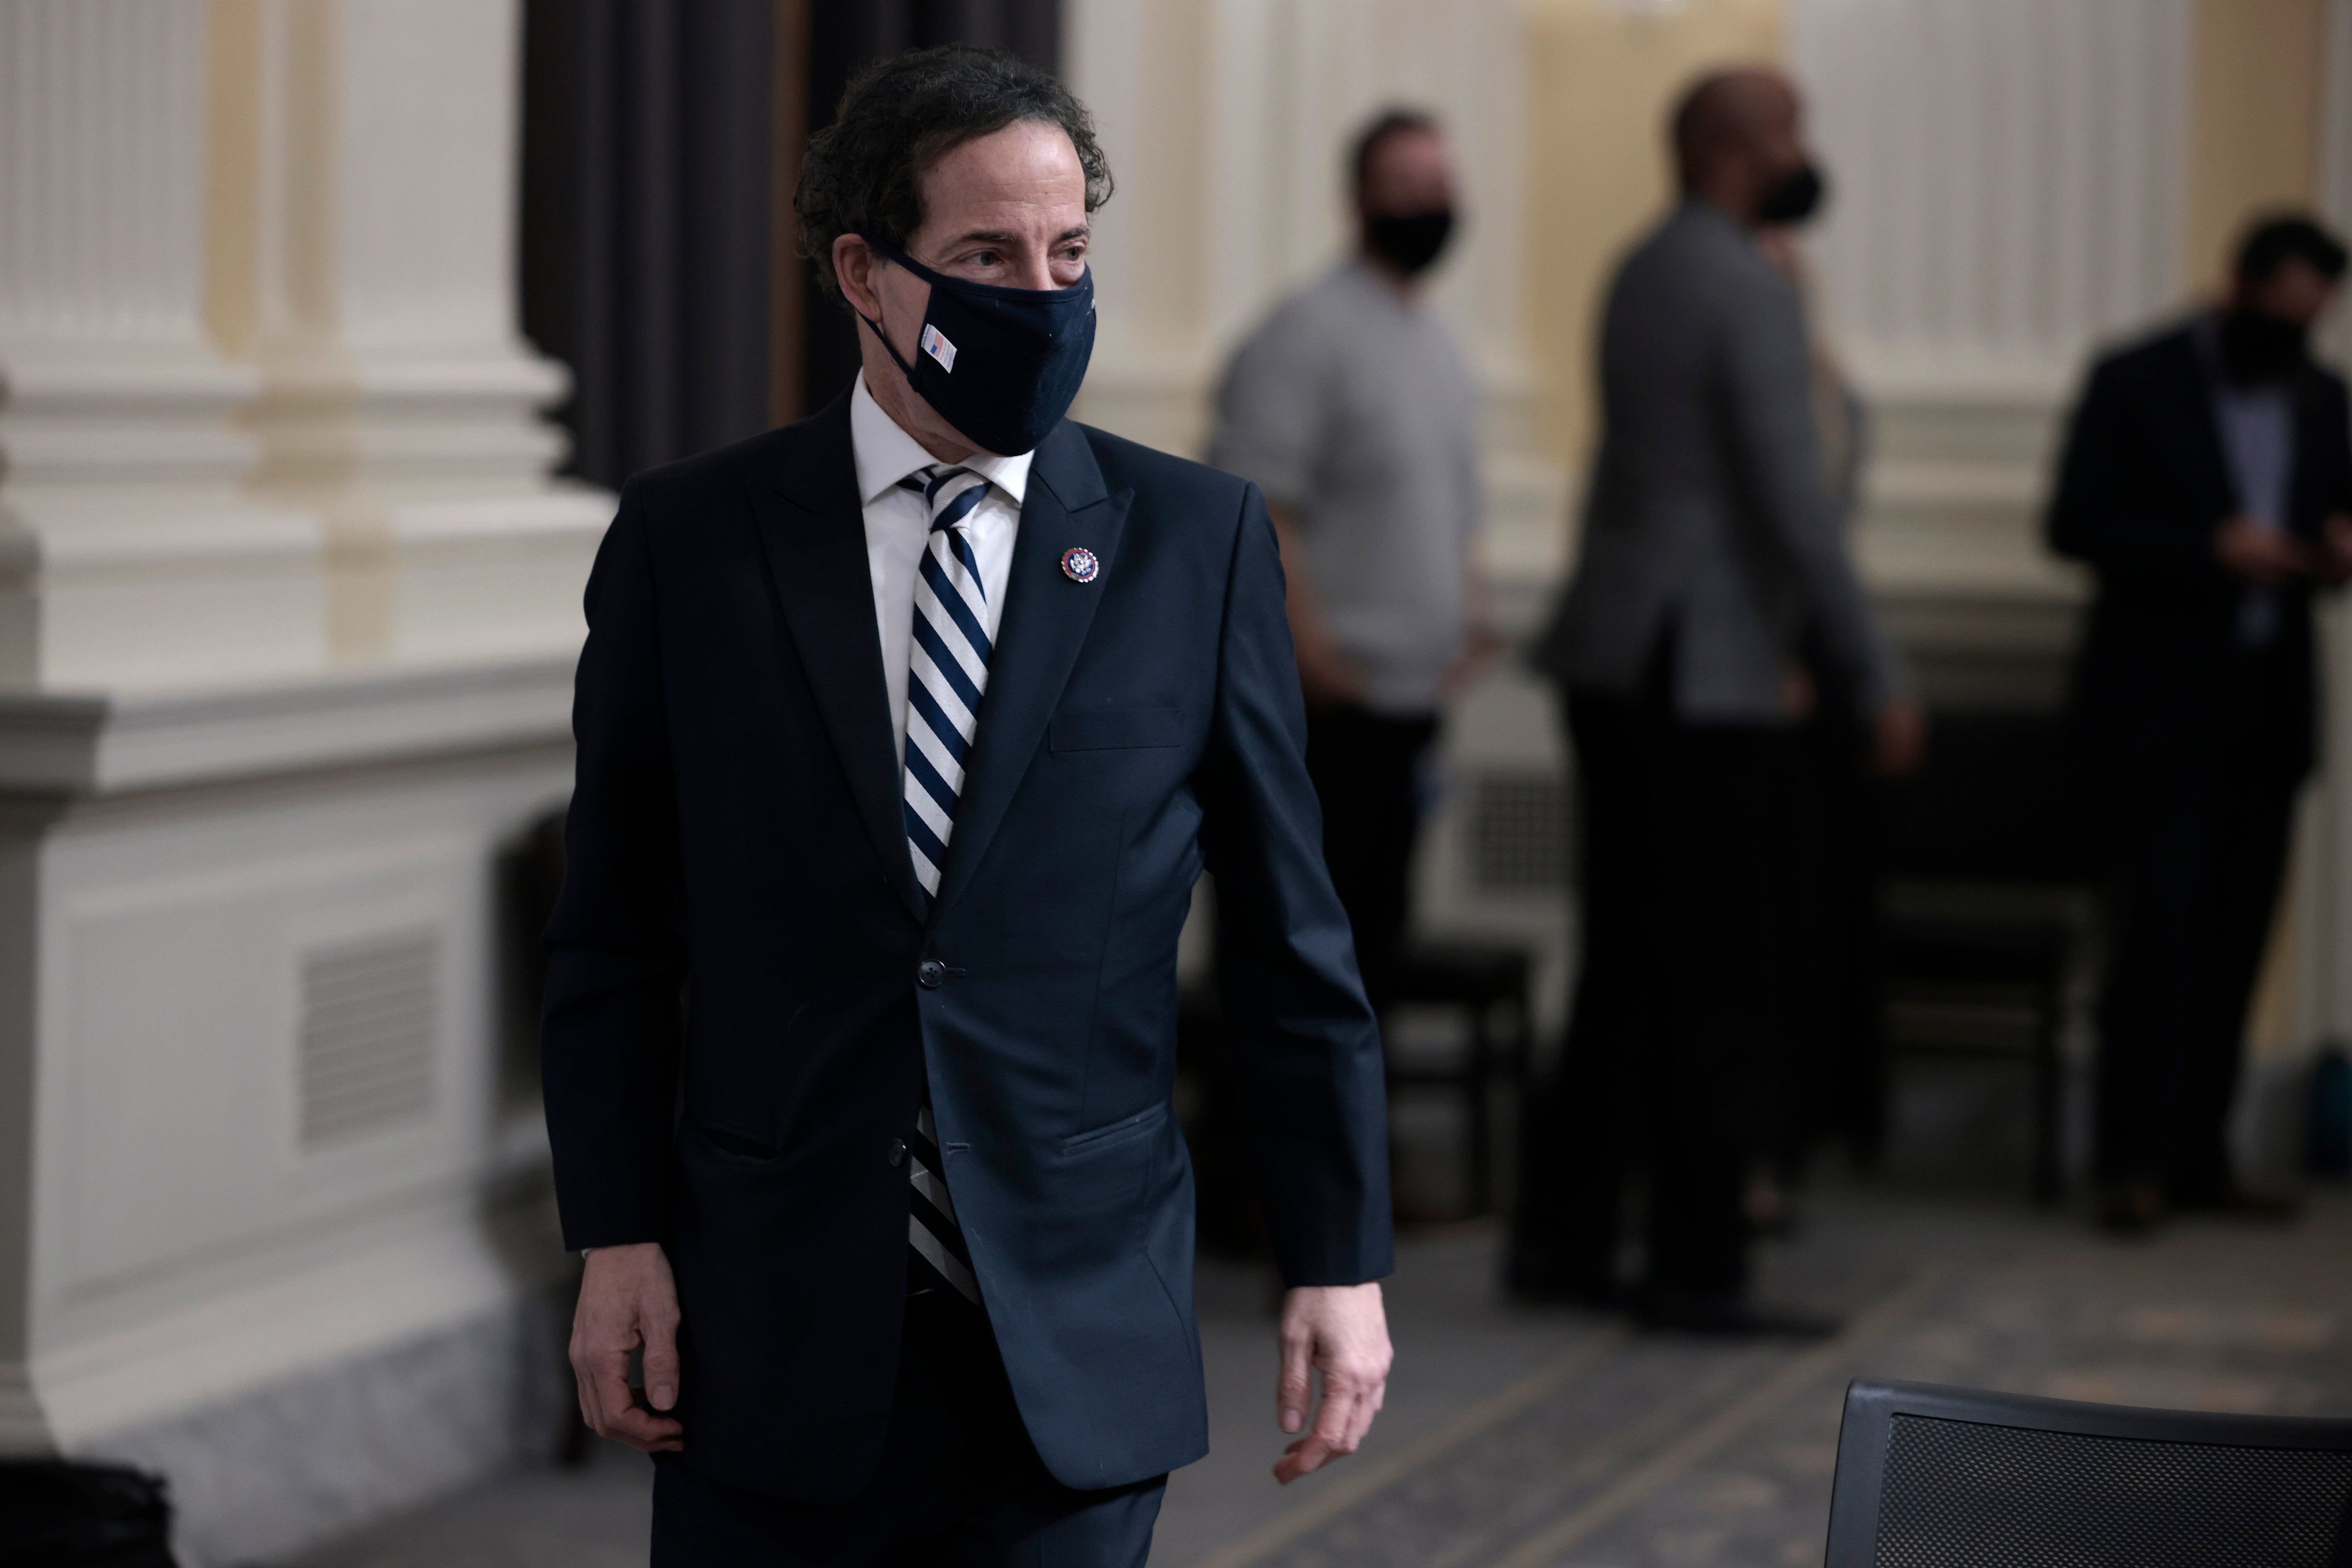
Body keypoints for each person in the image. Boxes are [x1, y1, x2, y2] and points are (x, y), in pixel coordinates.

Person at [540, 46, 1394, 1565]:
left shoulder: (1188, 543)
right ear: (863, 274)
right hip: (768, 1320)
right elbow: (612, 933)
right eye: (988, 256)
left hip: (1069, 1330)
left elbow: (1290, 945)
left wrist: (1337, 1260)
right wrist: (611, 1237)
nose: (1043, 295)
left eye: (1069, 253)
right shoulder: (694, 541)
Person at [1510, 69, 1918, 1334]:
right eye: (1793, 129)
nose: (1806, 152)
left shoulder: (1643, 265)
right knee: (1711, 980)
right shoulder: (1741, 281)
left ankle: (1564, 1241)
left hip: (1621, 663)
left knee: (1628, 971)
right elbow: (1790, 500)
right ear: (1741, 148)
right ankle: (1696, 1264)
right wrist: (1872, 670)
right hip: (1697, 675)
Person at [2048, 214, 2352, 1234]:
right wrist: (2204, 547)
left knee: (2233, 938)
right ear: (2238, 285)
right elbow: (2072, 523)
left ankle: (2200, 1155)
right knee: (2156, 938)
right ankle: (2127, 1160)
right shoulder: (2137, 378)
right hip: (2156, 707)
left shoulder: (2322, 397)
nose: (2297, 332)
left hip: (2265, 710)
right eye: (2283, 309)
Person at [1207, 109, 1488, 1020]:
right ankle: (1271, 1166)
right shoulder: (1306, 333)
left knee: (1375, 951)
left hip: (1407, 709)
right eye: (1404, 184)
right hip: (1322, 714)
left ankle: (1356, 1161)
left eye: (1438, 185)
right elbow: (1252, 511)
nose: (1426, 203)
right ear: (1357, 199)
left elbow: (1452, 510)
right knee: (1296, 963)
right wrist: (1314, 658)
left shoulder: (1436, 342)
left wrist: (1465, 621)